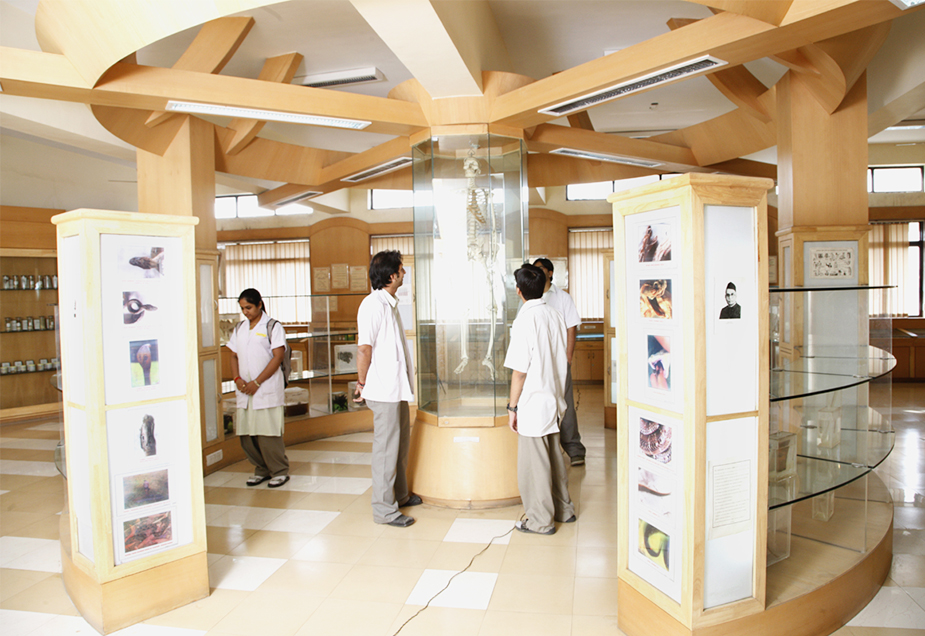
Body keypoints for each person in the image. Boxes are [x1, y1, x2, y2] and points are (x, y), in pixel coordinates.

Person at [505, 264, 576, 535]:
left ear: (519, 291)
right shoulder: (555, 314)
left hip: (534, 403)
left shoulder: (525, 320)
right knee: (554, 458)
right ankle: (564, 509)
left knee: (534, 467)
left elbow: (519, 372)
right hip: (554, 399)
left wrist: (513, 407)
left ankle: (540, 521)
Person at [354, 250, 422, 527]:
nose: (404, 274)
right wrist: (361, 383)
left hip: (396, 388)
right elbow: (363, 349)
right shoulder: (372, 305)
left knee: (400, 444)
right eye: (402, 270)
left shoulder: (389, 303)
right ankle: (384, 510)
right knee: (385, 450)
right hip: (382, 390)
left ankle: (400, 494)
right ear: (392, 276)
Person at [227, 288, 290, 488]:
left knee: (267, 432)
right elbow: (233, 355)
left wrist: (257, 382)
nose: (246, 312)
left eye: (249, 307)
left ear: (259, 304)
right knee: (247, 434)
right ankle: (261, 469)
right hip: (244, 390)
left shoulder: (273, 326)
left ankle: (279, 470)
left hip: (265, 388)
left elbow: (278, 357)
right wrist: (237, 378)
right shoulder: (239, 328)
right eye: (242, 308)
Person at [532, 258, 586, 466]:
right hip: (539, 363)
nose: (537, 273)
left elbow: (571, 328)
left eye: (541, 270)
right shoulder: (532, 298)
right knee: (543, 403)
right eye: (534, 270)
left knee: (566, 404)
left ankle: (574, 448)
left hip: (559, 361)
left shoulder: (563, 298)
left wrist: (568, 357)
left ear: (551, 273)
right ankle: (549, 450)